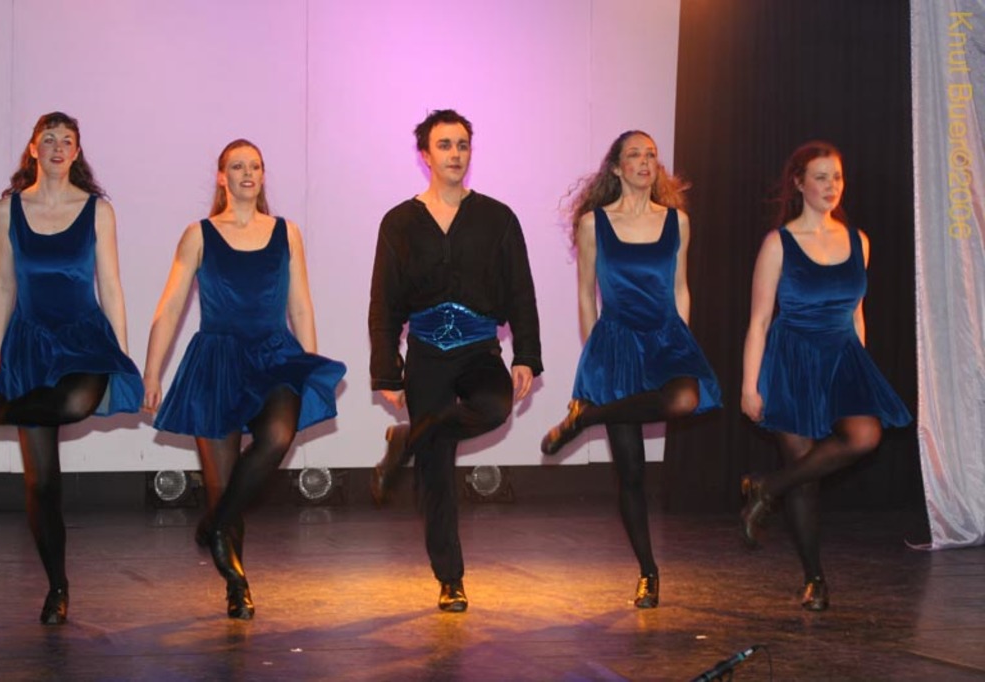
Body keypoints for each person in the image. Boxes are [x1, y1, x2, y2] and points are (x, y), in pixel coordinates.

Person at [142, 139, 345, 620]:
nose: (248, 173)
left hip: (275, 357)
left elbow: (300, 305)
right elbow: (170, 307)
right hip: (217, 363)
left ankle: (213, 525)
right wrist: (152, 371)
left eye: (255, 166)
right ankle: (237, 583)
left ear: (262, 176)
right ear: (222, 177)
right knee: (224, 485)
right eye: (237, 166)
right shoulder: (198, 235)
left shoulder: (286, 232)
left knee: (277, 437)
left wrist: (308, 365)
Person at [0, 112, 144, 624]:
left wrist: (121, 352)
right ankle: (58, 586)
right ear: (33, 149)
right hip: (30, 343)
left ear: (77, 152)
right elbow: (3, 283)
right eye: (49, 139)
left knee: (77, 401)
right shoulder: (8, 209)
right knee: (42, 484)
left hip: (85, 339)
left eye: (67, 140)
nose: (58, 147)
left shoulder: (98, 210)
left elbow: (111, 285)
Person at [368, 109, 542, 612]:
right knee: (436, 471)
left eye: (462, 144)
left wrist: (526, 354)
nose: (455, 154)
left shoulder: (498, 218)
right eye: (444, 145)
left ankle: (409, 437)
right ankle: (450, 579)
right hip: (426, 356)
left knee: (494, 406)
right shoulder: (399, 222)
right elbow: (384, 303)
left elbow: (521, 291)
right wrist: (387, 370)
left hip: (479, 350)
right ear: (425, 155)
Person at [539, 130, 721, 608]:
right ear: (617, 168)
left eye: (651, 155)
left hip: (666, 338)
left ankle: (586, 418)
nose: (645, 161)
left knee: (686, 398)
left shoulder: (677, 221)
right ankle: (648, 572)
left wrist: (682, 337)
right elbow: (585, 293)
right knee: (633, 473)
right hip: (617, 343)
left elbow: (680, 286)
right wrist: (594, 353)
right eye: (635, 155)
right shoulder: (593, 224)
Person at [739, 141, 912, 611]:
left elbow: (857, 313)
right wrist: (750, 386)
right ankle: (814, 578)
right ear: (799, 183)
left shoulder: (859, 241)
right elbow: (759, 321)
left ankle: (767, 488)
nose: (831, 186)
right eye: (820, 177)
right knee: (806, 477)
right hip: (792, 359)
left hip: (841, 358)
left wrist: (861, 369)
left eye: (836, 177)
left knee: (865, 435)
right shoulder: (779, 244)